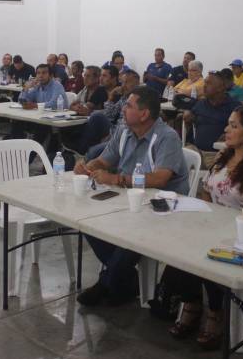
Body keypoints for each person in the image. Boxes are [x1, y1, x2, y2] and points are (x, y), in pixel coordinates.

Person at [164, 105, 243, 349]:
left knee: (208, 252)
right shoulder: (224, 156)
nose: (226, 129)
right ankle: (192, 302)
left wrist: (225, 229)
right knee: (177, 247)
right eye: (228, 123)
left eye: (234, 126)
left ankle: (216, 312)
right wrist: (204, 219)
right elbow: (207, 192)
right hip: (215, 226)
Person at [74, 87, 189, 306]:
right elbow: (104, 160)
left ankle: (107, 282)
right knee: (85, 221)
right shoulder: (124, 131)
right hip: (127, 200)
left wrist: (117, 179)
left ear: (144, 114)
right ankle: (126, 279)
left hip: (161, 207)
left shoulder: (167, 137)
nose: (123, 109)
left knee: (131, 237)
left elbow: (160, 178)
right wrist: (89, 166)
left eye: (128, 106)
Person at [10, 64, 68, 148]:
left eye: (44, 73)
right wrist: (25, 88)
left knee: (41, 126)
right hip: (40, 117)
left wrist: (34, 105)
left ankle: (31, 153)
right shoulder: (38, 86)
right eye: (38, 73)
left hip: (56, 120)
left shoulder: (57, 85)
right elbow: (22, 101)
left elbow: (54, 104)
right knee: (17, 121)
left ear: (51, 75)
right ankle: (17, 148)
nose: (40, 76)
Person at [184, 72, 241, 153]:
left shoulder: (234, 106)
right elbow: (189, 116)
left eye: (209, 83)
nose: (204, 86)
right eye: (205, 83)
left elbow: (242, 129)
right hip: (197, 150)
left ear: (220, 88)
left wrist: (229, 135)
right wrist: (187, 114)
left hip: (221, 152)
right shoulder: (201, 103)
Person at [62, 66, 114, 155]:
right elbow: (71, 106)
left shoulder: (100, 91)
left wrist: (79, 107)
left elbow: (85, 109)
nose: (84, 78)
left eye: (88, 76)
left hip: (95, 125)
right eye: (84, 75)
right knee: (63, 127)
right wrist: (78, 108)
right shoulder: (85, 89)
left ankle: (80, 152)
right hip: (82, 121)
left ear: (96, 78)